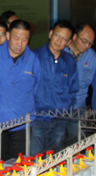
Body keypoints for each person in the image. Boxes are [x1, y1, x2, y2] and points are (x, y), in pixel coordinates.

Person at [0, 19, 41, 164]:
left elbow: (36, 89)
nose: (20, 43)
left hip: (22, 124)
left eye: (24, 39)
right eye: (16, 38)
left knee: (18, 168)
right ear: (8, 36)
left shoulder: (33, 60)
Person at [31, 20, 79, 154]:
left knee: (55, 159)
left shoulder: (69, 61)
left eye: (64, 38)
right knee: (34, 158)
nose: (59, 40)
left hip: (59, 119)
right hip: (37, 118)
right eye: (57, 35)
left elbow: (73, 88)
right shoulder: (35, 57)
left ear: (69, 42)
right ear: (50, 34)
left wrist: (66, 109)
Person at [63, 23, 96, 139]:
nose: (87, 45)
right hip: (58, 107)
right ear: (74, 36)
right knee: (56, 142)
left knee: (79, 141)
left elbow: (89, 81)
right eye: (84, 41)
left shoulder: (91, 56)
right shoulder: (60, 51)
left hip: (79, 106)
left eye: (90, 43)